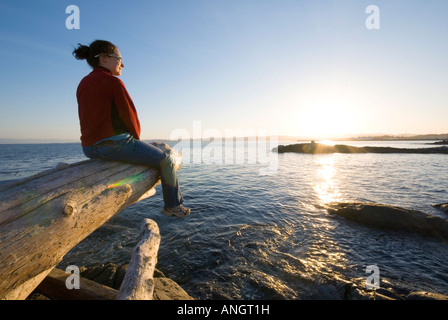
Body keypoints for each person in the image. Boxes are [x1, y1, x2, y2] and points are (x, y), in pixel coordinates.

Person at [73, 40, 190, 217]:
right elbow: (130, 116)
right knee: (166, 160)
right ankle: (172, 206)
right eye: (119, 58)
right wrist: (135, 141)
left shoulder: (83, 83)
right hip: (115, 145)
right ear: (104, 58)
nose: (123, 63)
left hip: (89, 149)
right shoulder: (113, 82)